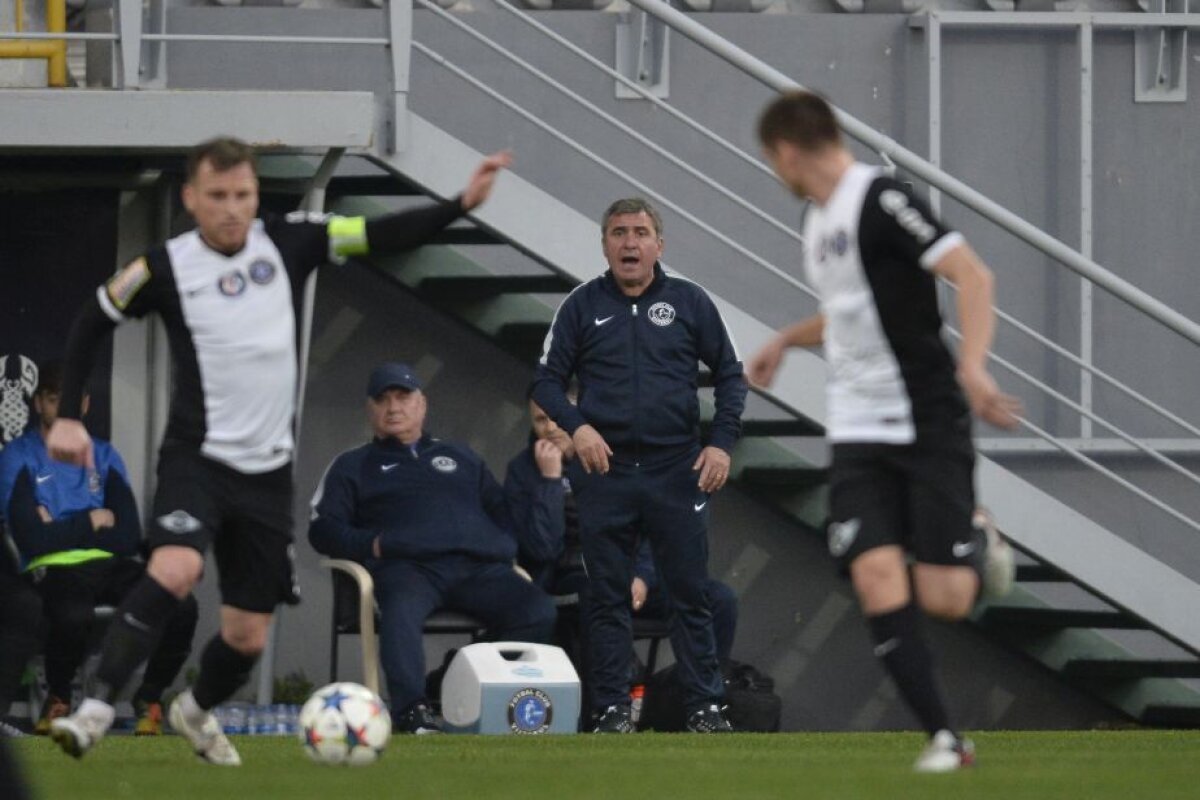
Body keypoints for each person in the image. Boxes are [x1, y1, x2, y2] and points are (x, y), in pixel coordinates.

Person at [46, 137, 511, 764]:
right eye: (217, 196)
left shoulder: (296, 239)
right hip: (197, 458)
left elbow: (383, 235)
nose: (232, 208)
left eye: (242, 195)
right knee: (175, 569)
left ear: (255, 195)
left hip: (266, 475)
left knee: (247, 634)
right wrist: (70, 414)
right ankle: (96, 709)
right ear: (191, 197)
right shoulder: (162, 267)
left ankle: (194, 710)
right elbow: (91, 321)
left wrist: (459, 203)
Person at [748, 91, 1019, 772]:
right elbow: (848, 312)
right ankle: (946, 741)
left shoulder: (881, 198)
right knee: (872, 576)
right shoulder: (815, 221)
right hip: (858, 426)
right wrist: (787, 338)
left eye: (770, 159)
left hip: (926, 417)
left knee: (947, 599)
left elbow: (971, 274)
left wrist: (975, 370)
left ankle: (976, 533)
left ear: (785, 152)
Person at [531, 198, 747, 734]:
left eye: (641, 232)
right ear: (604, 243)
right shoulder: (580, 306)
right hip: (605, 474)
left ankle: (705, 708)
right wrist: (578, 429)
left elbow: (731, 376)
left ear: (659, 245)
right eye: (619, 233)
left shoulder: (690, 302)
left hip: (677, 470)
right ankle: (609, 710)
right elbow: (544, 383)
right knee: (605, 598)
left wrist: (720, 443)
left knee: (690, 594)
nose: (630, 243)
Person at [309, 363, 556, 734]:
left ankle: (456, 680)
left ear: (421, 404)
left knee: (538, 609)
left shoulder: (461, 457)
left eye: (403, 397)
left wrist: (501, 545)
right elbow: (322, 529)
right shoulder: (352, 466)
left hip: (476, 568)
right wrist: (373, 543)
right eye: (383, 399)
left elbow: (502, 510)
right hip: (408, 569)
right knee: (401, 613)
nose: (394, 407)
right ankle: (412, 712)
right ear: (370, 409)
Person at [0, 362, 197, 736]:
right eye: (55, 399)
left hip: (111, 565)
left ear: (86, 404)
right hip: (52, 568)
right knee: (73, 614)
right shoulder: (18, 456)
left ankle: (149, 698)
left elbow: (126, 535)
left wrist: (57, 525)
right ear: (39, 403)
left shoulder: (104, 457)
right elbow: (31, 539)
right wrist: (92, 520)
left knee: (181, 603)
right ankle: (58, 698)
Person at [503, 395, 738, 676]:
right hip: (574, 577)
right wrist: (550, 482)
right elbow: (543, 548)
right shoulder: (523, 471)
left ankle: (704, 696)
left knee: (720, 599)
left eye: (558, 416)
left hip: (633, 574)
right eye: (541, 419)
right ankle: (610, 702)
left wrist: (641, 576)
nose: (551, 427)